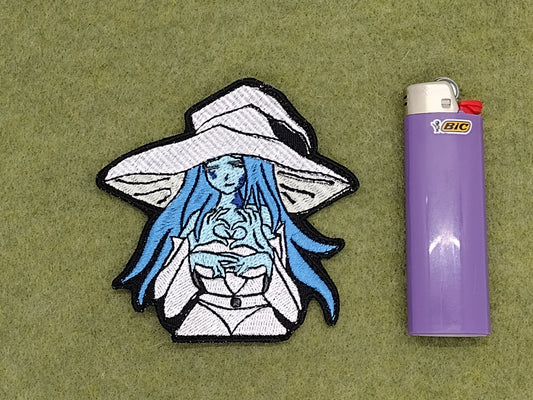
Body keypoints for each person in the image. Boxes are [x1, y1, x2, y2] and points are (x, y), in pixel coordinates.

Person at [98, 79, 358, 341]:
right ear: (200, 175)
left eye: (235, 164)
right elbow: (169, 303)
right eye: (212, 169)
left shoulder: (264, 221)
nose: (224, 176)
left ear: (256, 169)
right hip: (200, 320)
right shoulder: (196, 222)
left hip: (262, 319)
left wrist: (265, 260)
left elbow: (290, 311)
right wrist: (194, 258)